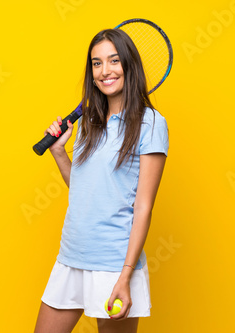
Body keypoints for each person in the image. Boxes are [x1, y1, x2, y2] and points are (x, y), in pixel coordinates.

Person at [34, 27, 169, 333]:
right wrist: (58, 152)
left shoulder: (150, 124)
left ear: (129, 66)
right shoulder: (89, 122)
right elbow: (85, 191)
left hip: (113, 263)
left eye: (113, 61)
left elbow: (143, 208)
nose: (104, 71)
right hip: (71, 255)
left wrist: (125, 275)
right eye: (96, 63)